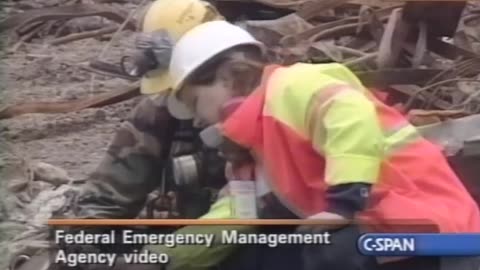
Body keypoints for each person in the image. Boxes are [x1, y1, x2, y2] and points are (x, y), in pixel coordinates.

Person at [166, 20, 480, 270]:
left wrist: (344, 203)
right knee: (256, 255)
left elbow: (349, 115)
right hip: (392, 236)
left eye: (195, 103)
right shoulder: (253, 147)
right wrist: (160, 257)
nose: (198, 120)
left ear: (227, 76)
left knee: (331, 251)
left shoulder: (292, 86)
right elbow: (237, 215)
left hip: (442, 236)